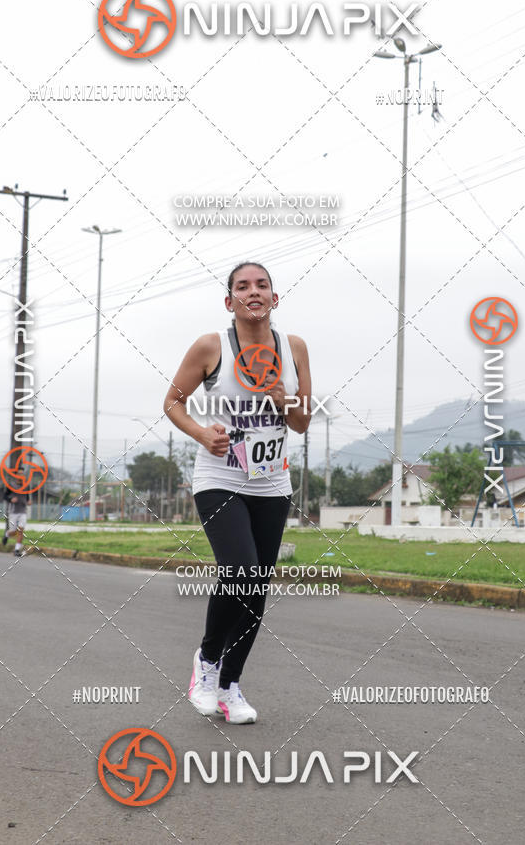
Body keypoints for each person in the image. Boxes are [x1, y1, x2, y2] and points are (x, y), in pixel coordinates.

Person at [164, 261, 311, 723]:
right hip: (219, 478)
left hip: (271, 482)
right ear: (230, 302)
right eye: (242, 287)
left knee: (257, 588)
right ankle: (206, 663)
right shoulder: (211, 346)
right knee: (242, 570)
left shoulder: (294, 348)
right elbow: (172, 402)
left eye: (262, 285)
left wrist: (282, 399)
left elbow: (302, 421)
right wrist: (201, 435)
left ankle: (230, 687)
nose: (254, 292)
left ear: (274, 297)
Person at [1, 487, 30, 556]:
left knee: (20, 531)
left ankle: (16, 550)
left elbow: (27, 498)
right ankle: (6, 535)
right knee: (14, 532)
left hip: (23, 512)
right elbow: (4, 496)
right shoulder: (11, 486)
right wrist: (11, 499)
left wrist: (28, 501)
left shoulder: (26, 487)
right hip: (13, 512)